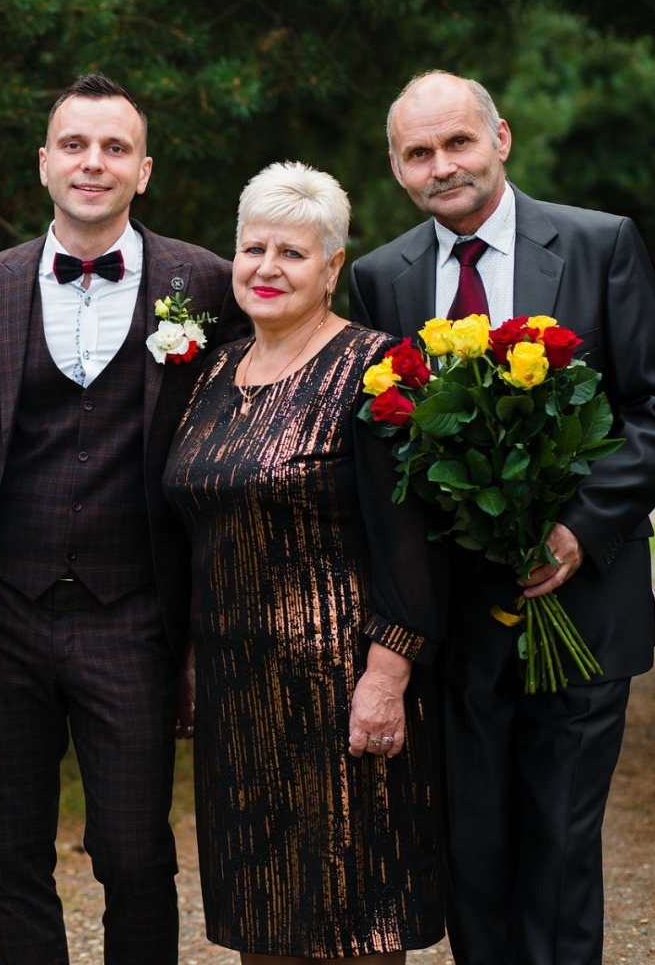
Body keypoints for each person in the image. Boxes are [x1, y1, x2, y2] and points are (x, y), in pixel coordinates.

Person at [349, 71, 655, 965]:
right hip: (458, 623)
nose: (441, 166)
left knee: (557, 847)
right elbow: (386, 448)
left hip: (583, 612)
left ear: (500, 139)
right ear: (395, 168)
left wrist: (580, 527)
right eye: (417, 153)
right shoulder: (380, 278)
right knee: (472, 848)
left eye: (457, 143)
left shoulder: (597, 244)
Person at [0, 73, 247, 965]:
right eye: (74, 145)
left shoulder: (206, 281)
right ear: (43, 164)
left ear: (143, 170)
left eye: (114, 148)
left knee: (133, 850)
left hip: (134, 614)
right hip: (4, 611)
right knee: (8, 849)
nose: (93, 163)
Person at [164, 162, 447, 963]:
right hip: (235, 698)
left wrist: (386, 679)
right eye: (252, 248)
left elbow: (414, 542)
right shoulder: (212, 372)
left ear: (330, 269)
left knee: (352, 921)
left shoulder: (376, 368)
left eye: (292, 253)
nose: (265, 268)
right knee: (262, 916)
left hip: (340, 692)